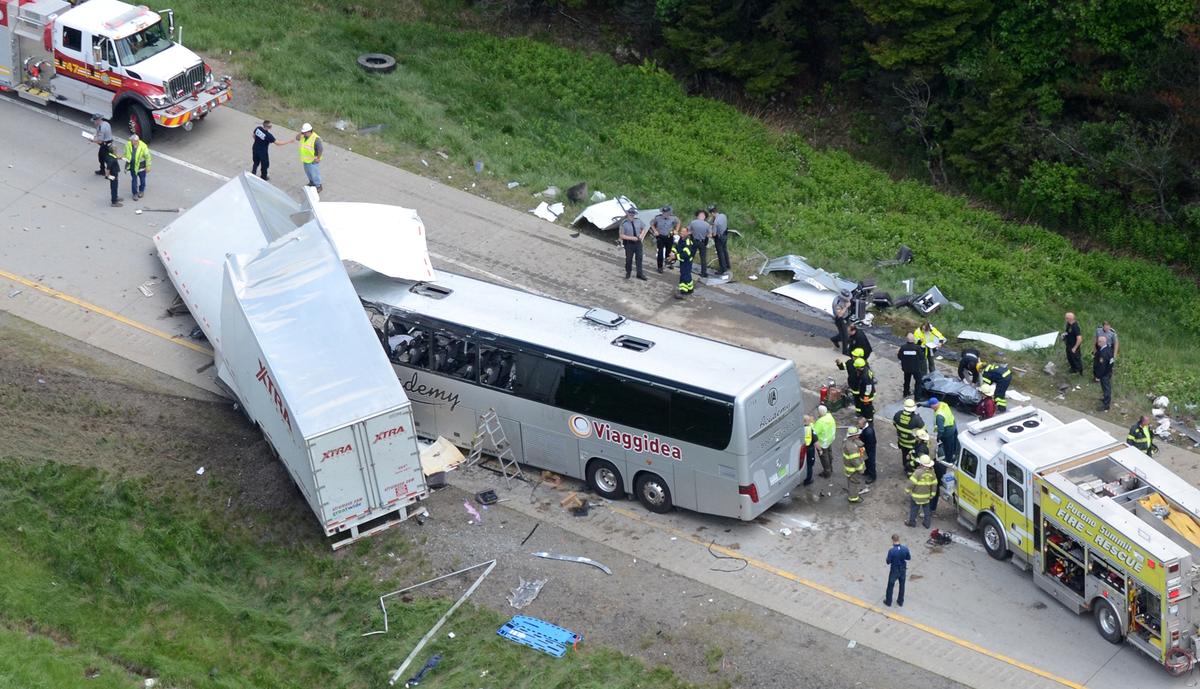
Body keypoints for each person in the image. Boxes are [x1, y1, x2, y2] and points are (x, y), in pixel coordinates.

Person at [892, 398, 924, 476]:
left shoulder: (897, 414)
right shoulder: (917, 419)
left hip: (902, 442)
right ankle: (912, 471)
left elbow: (894, 424)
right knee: (913, 457)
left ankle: (906, 468)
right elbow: (923, 431)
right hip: (913, 444)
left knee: (904, 455)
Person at [905, 454, 937, 529]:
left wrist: (907, 490)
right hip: (926, 496)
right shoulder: (932, 473)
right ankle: (927, 523)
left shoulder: (918, 472)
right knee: (926, 510)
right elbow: (934, 484)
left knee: (914, 509)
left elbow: (911, 483)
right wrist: (932, 494)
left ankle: (912, 522)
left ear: (921, 464)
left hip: (916, 496)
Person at [618, 207, 648, 281]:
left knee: (639, 258)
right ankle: (628, 272)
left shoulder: (638, 221)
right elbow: (621, 235)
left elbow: (644, 229)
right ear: (628, 214)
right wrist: (632, 238)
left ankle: (639, 274)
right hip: (629, 244)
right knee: (629, 259)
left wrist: (641, 235)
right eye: (630, 214)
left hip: (638, 243)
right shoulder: (624, 223)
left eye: (633, 214)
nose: (631, 216)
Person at [650, 206, 679, 274]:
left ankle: (668, 263)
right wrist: (655, 231)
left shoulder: (673, 218)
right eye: (664, 213)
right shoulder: (657, 218)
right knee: (660, 252)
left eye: (667, 213)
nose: (665, 214)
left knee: (669, 251)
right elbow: (651, 224)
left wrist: (676, 230)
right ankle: (660, 267)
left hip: (669, 236)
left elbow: (678, 223)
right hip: (660, 237)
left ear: (669, 213)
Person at [884, 534, 911, 607]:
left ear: (892, 540)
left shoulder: (891, 551)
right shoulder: (905, 549)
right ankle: (900, 601)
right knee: (902, 585)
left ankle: (888, 601)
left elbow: (888, 562)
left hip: (894, 570)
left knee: (890, 585)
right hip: (902, 570)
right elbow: (908, 558)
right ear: (899, 539)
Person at [295, 122, 323, 192]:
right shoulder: (303, 136)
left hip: (313, 160)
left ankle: (318, 186)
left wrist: (318, 158)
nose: (303, 134)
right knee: (308, 172)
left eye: (305, 132)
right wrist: (301, 133)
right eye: (303, 132)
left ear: (310, 131)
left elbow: (320, 149)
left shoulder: (316, 139)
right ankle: (312, 182)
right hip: (305, 159)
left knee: (314, 173)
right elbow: (297, 138)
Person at [671, 223, 696, 299]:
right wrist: (672, 252)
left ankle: (683, 292)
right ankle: (690, 289)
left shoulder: (688, 242)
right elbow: (676, 246)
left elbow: (686, 254)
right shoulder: (681, 239)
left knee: (684, 276)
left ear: (687, 233)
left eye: (683, 232)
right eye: (681, 231)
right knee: (687, 275)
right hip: (683, 261)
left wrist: (675, 256)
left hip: (687, 262)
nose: (681, 233)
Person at [123, 134, 151, 201]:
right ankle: (135, 193)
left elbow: (148, 157)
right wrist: (126, 167)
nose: (131, 142)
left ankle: (141, 191)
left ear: (136, 141)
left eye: (132, 141)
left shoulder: (143, 147)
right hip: (132, 166)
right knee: (134, 180)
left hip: (141, 167)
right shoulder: (128, 145)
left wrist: (148, 166)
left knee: (142, 180)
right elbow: (127, 156)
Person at [898, 334, 925, 398]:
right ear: (913, 339)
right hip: (916, 368)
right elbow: (922, 357)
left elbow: (899, 357)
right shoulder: (917, 348)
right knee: (918, 382)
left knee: (907, 381)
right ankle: (917, 397)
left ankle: (905, 393)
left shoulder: (903, 347)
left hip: (906, 368)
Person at [842, 426, 865, 504]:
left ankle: (853, 494)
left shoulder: (848, 442)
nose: (858, 435)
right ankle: (853, 498)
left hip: (849, 469)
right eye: (856, 435)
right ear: (852, 436)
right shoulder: (851, 447)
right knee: (854, 483)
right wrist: (861, 469)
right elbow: (855, 460)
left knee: (851, 482)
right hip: (853, 470)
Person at [813, 404, 836, 478]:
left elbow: (814, 432)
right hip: (829, 439)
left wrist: (811, 424)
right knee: (829, 454)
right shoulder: (829, 416)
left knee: (824, 457)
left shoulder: (820, 422)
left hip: (822, 443)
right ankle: (830, 467)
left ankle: (827, 472)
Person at [688, 210, 712, 278]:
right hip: (702, 242)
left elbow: (688, 231)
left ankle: (687, 268)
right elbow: (710, 235)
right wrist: (705, 234)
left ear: (697, 216)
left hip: (694, 241)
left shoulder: (693, 222)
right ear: (704, 217)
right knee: (703, 258)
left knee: (691, 256)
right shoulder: (707, 225)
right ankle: (703, 273)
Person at [1094, 336, 1115, 412]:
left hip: (1104, 374)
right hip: (1108, 372)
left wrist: (1098, 376)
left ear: (1102, 342)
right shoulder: (1109, 349)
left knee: (1106, 388)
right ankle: (1105, 399)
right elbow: (1112, 361)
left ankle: (1106, 405)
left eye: (1099, 341)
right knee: (1106, 388)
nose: (1097, 342)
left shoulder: (1103, 353)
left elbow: (1101, 366)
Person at [708, 204, 730, 275]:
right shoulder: (723, 215)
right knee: (725, 251)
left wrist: (710, 235)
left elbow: (714, 234)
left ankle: (723, 269)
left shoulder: (716, 222)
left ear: (712, 213)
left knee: (720, 253)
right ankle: (727, 265)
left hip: (719, 238)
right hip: (725, 234)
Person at [858, 416, 877, 484]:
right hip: (865, 447)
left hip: (869, 449)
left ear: (863, 424)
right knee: (866, 460)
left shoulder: (868, 432)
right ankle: (868, 471)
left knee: (870, 461)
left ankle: (872, 476)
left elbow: (868, 443)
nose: (858, 425)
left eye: (859, 424)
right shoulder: (865, 428)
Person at [801, 414, 816, 486]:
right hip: (809, 450)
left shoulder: (799, 429)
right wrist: (820, 450)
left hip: (801, 449)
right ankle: (807, 480)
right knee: (809, 465)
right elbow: (816, 442)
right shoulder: (810, 430)